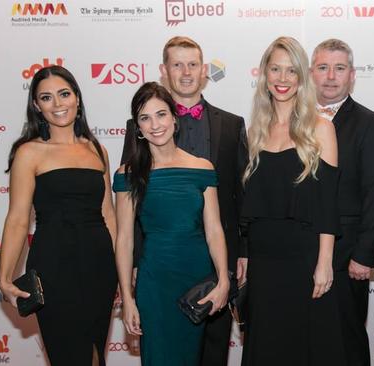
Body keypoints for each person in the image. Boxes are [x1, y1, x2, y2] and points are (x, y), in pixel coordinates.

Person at [120, 36, 247, 366]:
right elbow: (124, 233)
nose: (154, 124)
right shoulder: (131, 162)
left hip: (204, 270)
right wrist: (128, 291)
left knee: (208, 355)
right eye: (177, 64)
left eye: (192, 64)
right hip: (154, 275)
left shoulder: (223, 139)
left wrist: (225, 275)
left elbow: (224, 217)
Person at [0, 65, 117, 365]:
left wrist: (121, 270)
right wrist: (4, 278)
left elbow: (109, 216)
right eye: (47, 98)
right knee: (68, 356)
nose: (58, 104)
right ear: (37, 106)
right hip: (54, 267)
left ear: (77, 97)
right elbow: (18, 219)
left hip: (99, 266)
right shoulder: (29, 152)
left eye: (64, 94)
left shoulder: (97, 150)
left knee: (94, 355)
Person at [240, 36, 344, 366]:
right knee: (267, 345)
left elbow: (328, 203)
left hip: (304, 256)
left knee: (306, 347)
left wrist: (324, 262)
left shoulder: (321, 128)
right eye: (275, 70)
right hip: (263, 259)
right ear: (264, 75)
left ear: (302, 77)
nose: (282, 79)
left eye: (291, 71)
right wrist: (244, 255)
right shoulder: (255, 131)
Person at [310, 38, 374, 366]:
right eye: (323, 67)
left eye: (339, 68)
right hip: (299, 250)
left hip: (347, 257)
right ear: (311, 73)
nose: (331, 76)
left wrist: (364, 255)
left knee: (346, 338)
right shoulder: (291, 120)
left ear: (352, 75)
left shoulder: (370, 123)